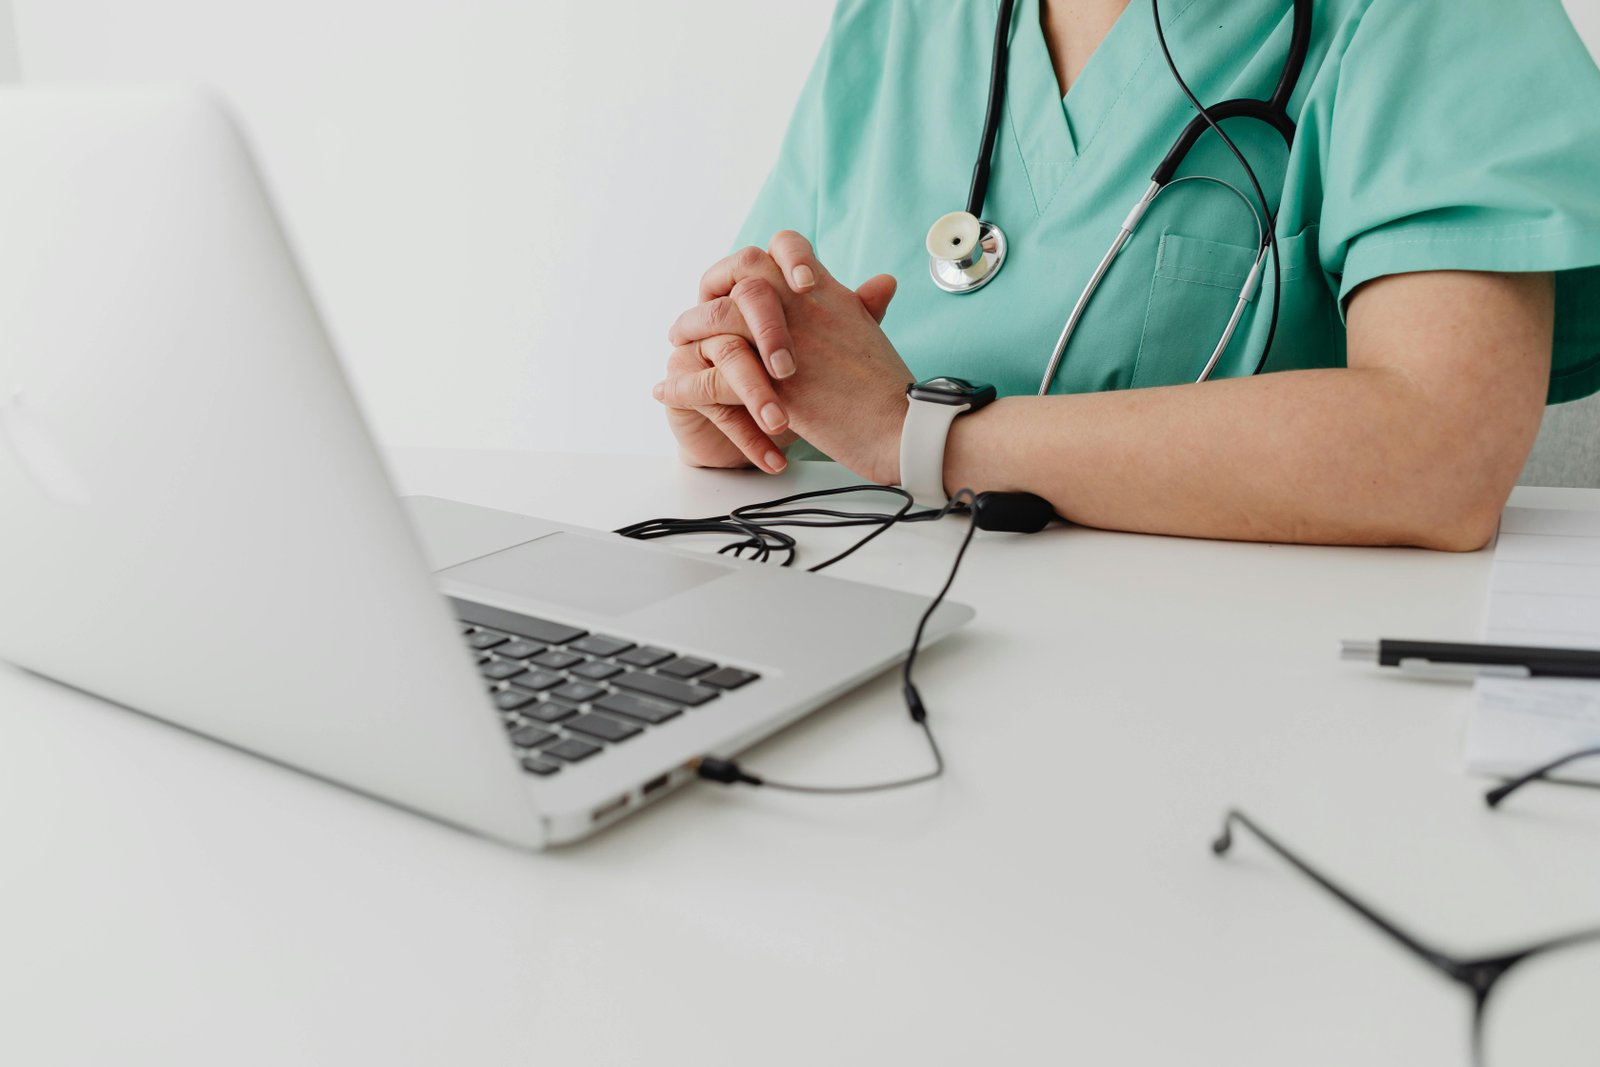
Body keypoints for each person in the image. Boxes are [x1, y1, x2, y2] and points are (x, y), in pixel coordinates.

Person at [651, 0, 1600, 550]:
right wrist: (743, 406)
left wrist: (918, 434)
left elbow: (1438, 455)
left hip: (1243, 723)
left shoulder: (1435, 17)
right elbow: (797, 352)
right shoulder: (902, 20)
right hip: (875, 672)